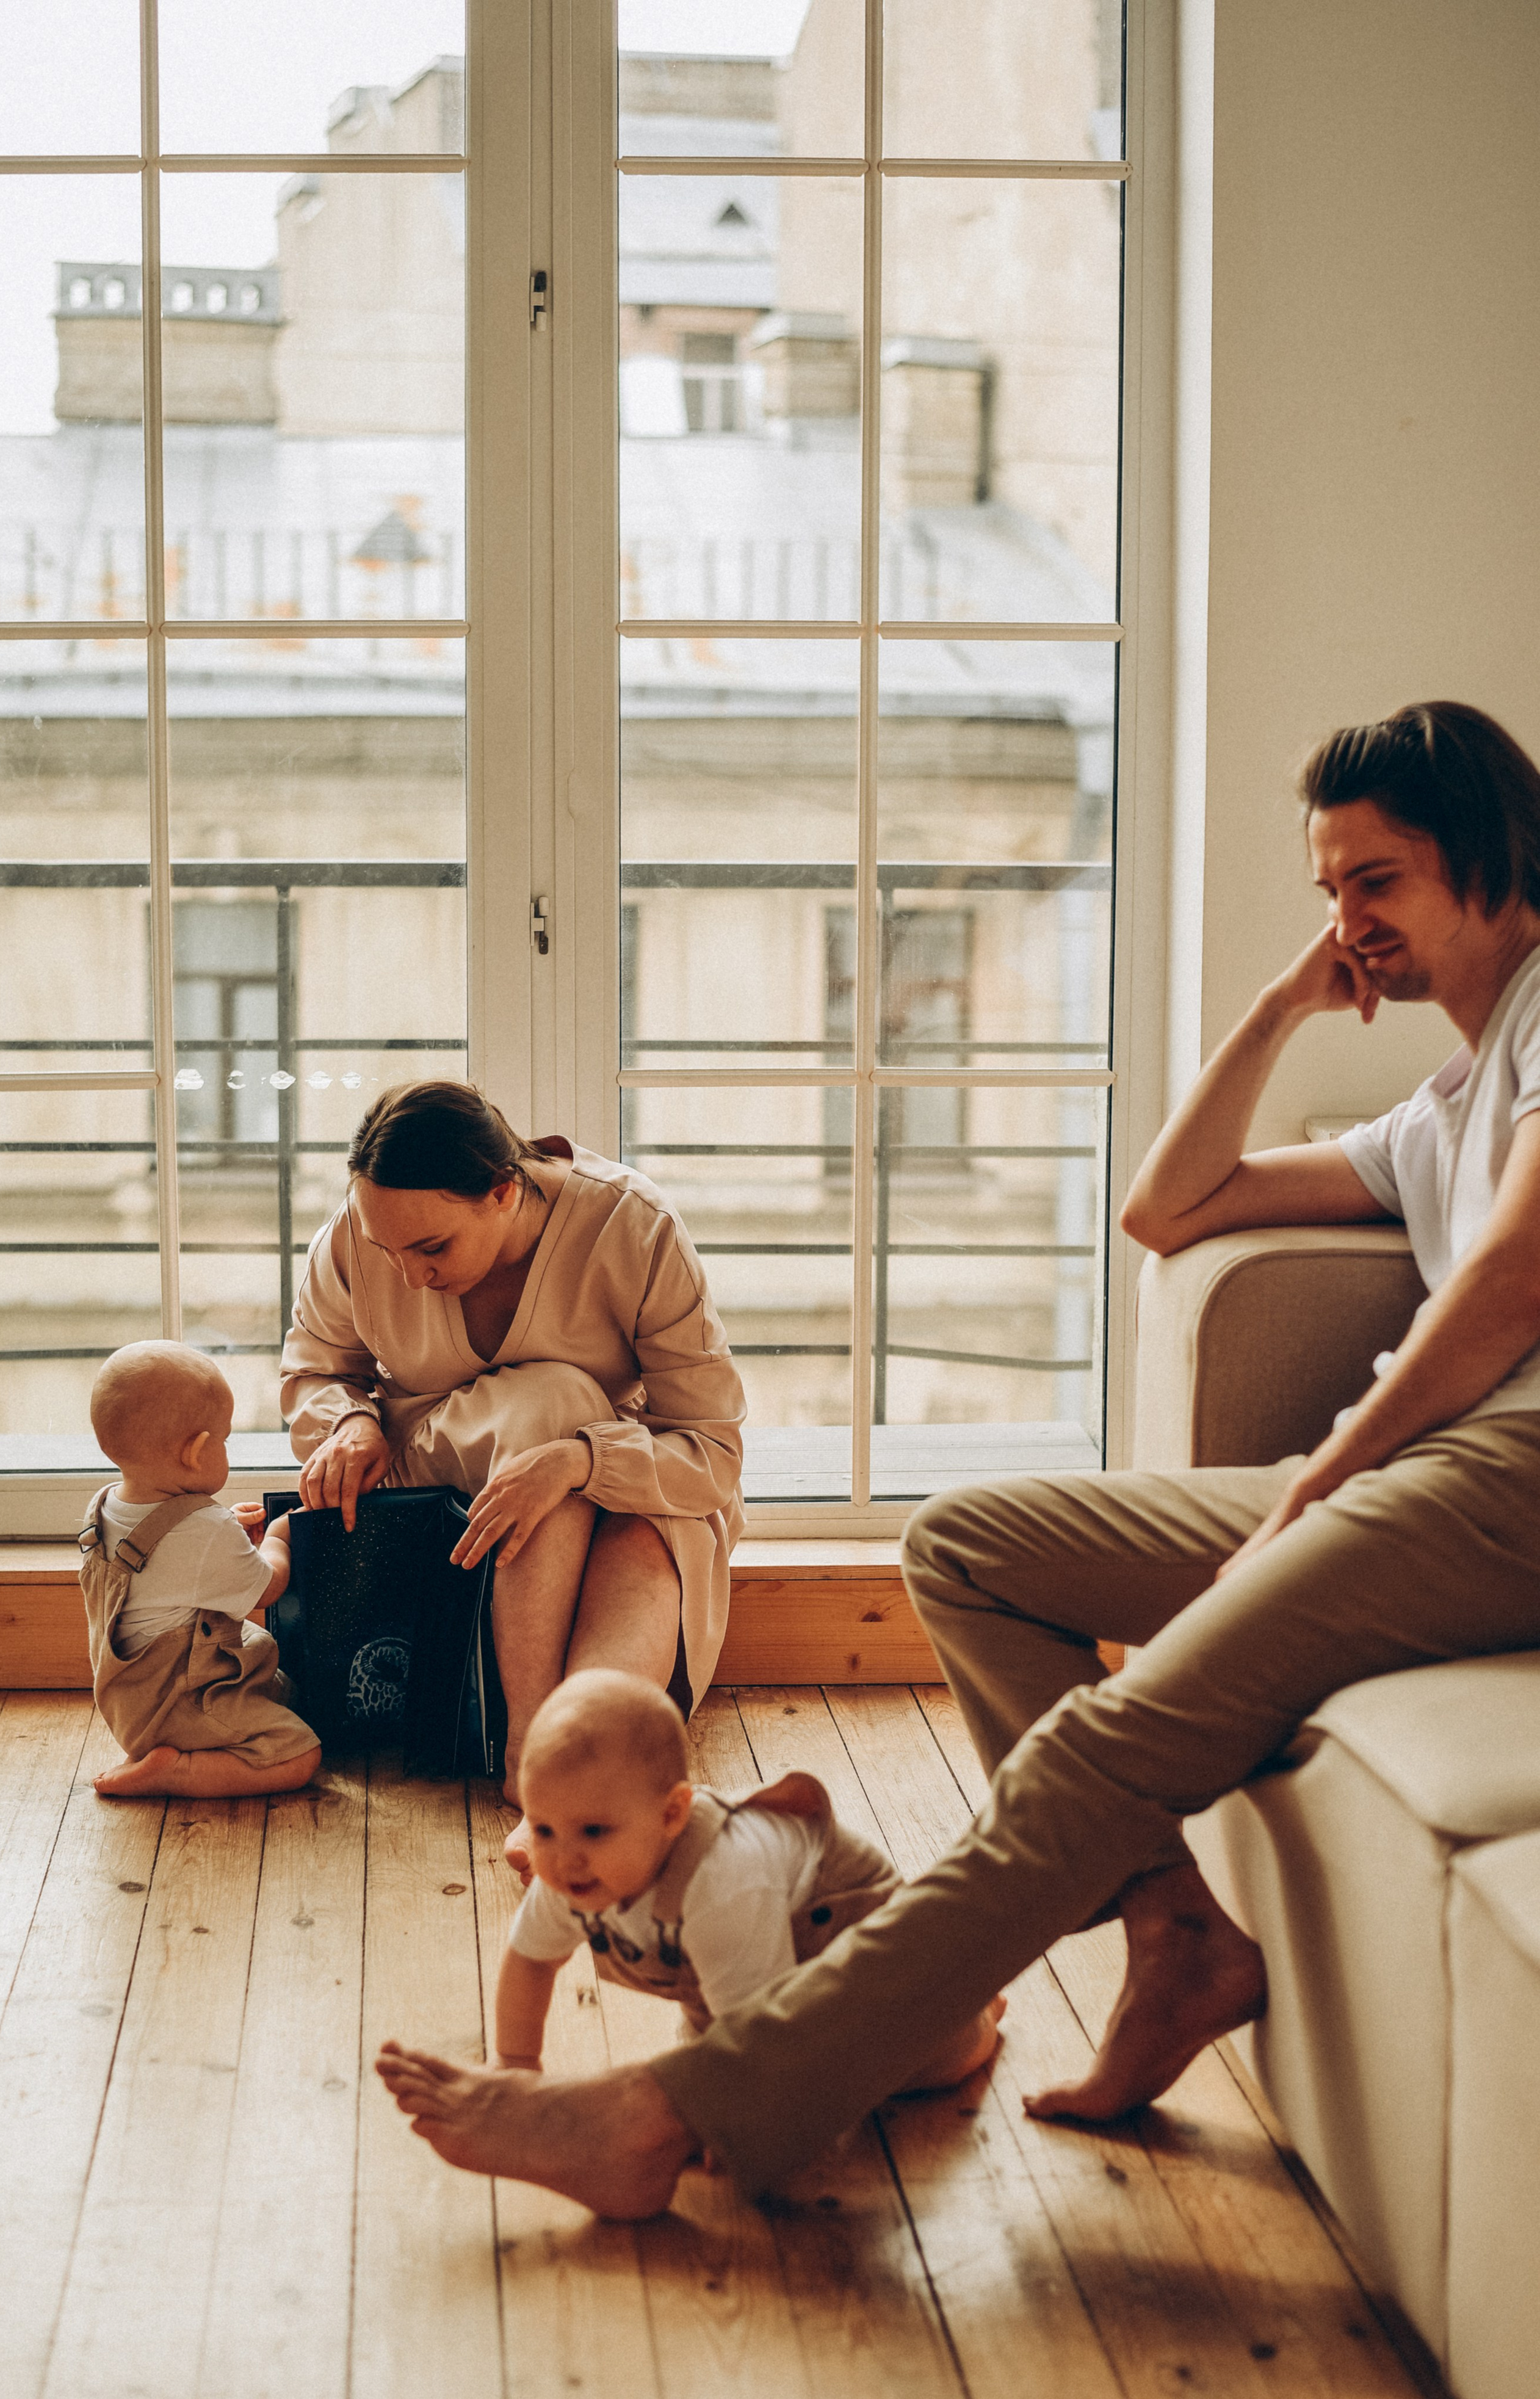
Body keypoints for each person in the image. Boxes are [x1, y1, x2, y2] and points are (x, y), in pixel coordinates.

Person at [364, 700, 1540, 2218]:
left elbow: (1507, 1284)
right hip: (1420, 1474)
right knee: (969, 1544)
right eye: (1326, 888)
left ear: (1493, 859)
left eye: (1373, 882)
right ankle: (1175, 1927)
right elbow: (1166, 1208)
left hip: (1499, 1477)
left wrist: (1319, 1481)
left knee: (1099, 1745)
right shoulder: (1445, 1101)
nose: (1345, 921)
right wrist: (1280, 1005)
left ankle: (677, 2114)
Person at [280, 1082, 745, 1805]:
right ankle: (531, 1744)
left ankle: (571, 1762)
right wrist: (348, 1421)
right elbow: (314, 1371)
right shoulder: (355, 1232)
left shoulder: (633, 1226)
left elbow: (710, 1450)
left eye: (432, 1248)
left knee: (644, 1528)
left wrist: (578, 1462)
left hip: (624, 1492)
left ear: (503, 1191)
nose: (411, 1277)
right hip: (428, 1508)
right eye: (385, 1250)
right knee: (558, 1399)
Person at [464, 1668, 1003, 2076]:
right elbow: (532, 1960)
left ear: (672, 1815)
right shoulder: (572, 1874)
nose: (563, 1858)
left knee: (909, 2061)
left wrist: (736, 2125)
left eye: (594, 1831)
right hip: (744, 1961)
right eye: (542, 1829)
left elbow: (759, 2038)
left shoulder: (722, 1881)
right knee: (714, 2038)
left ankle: (973, 2013)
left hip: (839, 1923)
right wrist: (515, 2063)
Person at [80, 1341, 320, 1800]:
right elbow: (268, 1589)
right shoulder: (205, 1530)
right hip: (180, 1707)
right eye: (225, 1440)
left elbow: (170, 1563)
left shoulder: (105, 1507)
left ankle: (165, 1754)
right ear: (196, 1453)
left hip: (128, 1704)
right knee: (299, 1755)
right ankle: (177, 1770)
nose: (227, 1449)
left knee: (285, 1691)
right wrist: (278, 1537)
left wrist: (226, 1532)